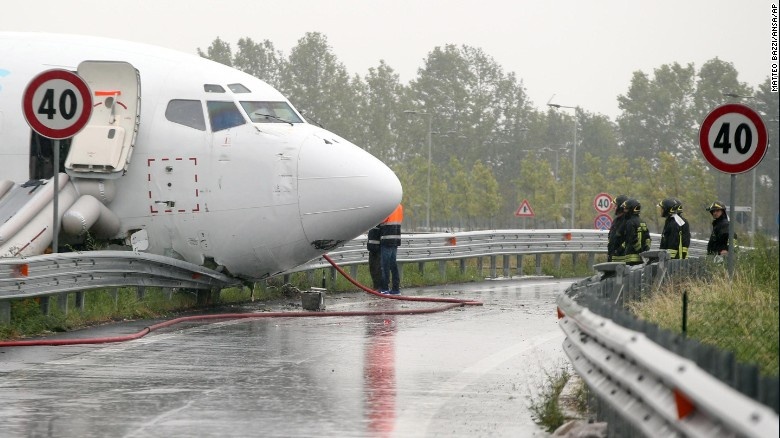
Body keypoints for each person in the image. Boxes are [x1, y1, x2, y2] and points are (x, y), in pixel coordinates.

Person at [379, 204, 403, 294]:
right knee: (393, 265)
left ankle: (385, 288)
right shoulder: (399, 206)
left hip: (387, 238)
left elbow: (382, 220)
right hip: (396, 238)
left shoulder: (387, 205)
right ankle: (396, 289)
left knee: (385, 265)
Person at [621, 198, 650, 266]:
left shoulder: (630, 222)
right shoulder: (642, 222)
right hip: (641, 258)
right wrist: (645, 252)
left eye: (626, 209)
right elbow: (648, 239)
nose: (624, 211)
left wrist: (640, 251)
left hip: (631, 258)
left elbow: (632, 238)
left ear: (631, 209)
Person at [607, 194, 628, 262]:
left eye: (615, 206)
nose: (614, 208)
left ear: (620, 206)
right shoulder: (616, 221)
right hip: (612, 257)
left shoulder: (628, 221)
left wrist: (618, 251)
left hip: (622, 260)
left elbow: (629, 239)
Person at [366, 224, 383, 290]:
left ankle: (379, 287)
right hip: (372, 248)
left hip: (378, 249)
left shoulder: (380, 220)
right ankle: (375, 286)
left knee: (378, 269)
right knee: (372, 268)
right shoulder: (372, 222)